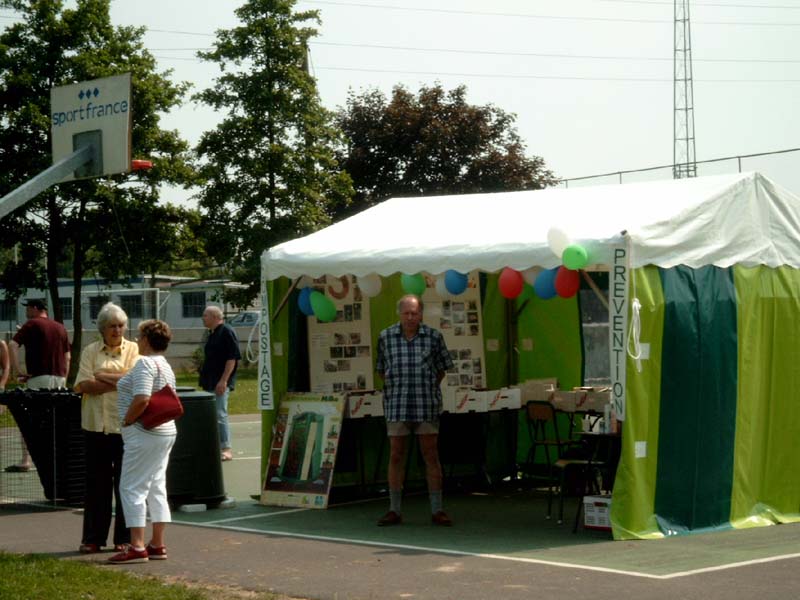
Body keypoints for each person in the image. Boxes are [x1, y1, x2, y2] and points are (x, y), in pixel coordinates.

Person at [375, 294, 455, 527]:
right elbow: (381, 370)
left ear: (421, 314)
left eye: (415, 313)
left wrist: (426, 385)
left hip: (425, 405)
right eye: (406, 313)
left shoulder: (433, 337)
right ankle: (394, 510)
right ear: (399, 313)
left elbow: (442, 370)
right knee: (396, 455)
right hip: (397, 405)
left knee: (430, 455)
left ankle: (437, 510)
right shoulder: (386, 337)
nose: (410, 317)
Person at [109, 319, 177, 564]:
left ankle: (137, 546)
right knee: (156, 485)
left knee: (131, 486)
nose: (136, 340)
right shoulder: (165, 364)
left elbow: (142, 399)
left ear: (147, 340)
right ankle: (157, 543)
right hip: (165, 432)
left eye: (139, 336)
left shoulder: (144, 364)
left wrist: (127, 420)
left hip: (144, 433)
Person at [74, 303, 139, 554]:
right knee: (96, 485)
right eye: (112, 326)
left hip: (125, 426)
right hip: (95, 427)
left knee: (126, 484)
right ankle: (93, 538)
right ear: (102, 328)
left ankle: (123, 538)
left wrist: (101, 375)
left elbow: (134, 383)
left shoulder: (134, 349)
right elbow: (82, 385)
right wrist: (118, 380)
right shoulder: (90, 350)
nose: (117, 330)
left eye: (121, 325)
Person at [7, 299, 71, 472]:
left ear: (35, 308)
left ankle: (26, 459)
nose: (26, 311)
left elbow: (12, 345)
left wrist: (18, 370)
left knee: (30, 418)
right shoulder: (60, 327)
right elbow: (67, 356)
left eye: (28, 308)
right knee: (56, 420)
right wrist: (64, 377)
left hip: (38, 377)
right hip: (59, 379)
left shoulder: (32, 324)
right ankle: (57, 459)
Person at [199, 305, 241, 462]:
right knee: (211, 415)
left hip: (219, 382)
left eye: (206, 315)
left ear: (216, 317)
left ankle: (226, 448)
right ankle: (214, 446)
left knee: (220, 414)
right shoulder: (212, 334)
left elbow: (232, 358)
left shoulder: (226, 331)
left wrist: (223, 381)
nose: (203, 318)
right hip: (209, 381)